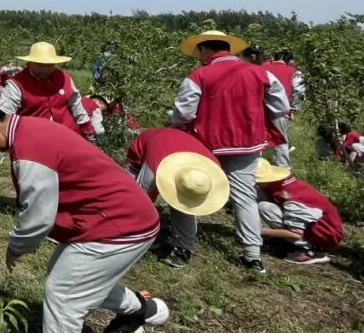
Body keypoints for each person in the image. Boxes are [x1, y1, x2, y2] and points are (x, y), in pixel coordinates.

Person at [0, 99, 168, 333]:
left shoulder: (28, 148)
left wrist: (15, 247)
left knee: (64, 291)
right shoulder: (29, 129)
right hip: (122, 216)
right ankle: (142, 309)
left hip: (118, 224)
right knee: (74, 276)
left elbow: (38, 217)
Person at [171, 30, 290, 275]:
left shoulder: (199, 75)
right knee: (245, 197)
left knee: (187, 189)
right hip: (248, 144)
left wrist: (177, 129)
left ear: (205, 49)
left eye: (200, 52)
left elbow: (184, 113)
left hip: (207, 144)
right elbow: (281, 106)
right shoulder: (259, 71)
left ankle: (183, 248)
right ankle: (252, 255)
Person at [124, 127, 229, 268]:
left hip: (177, 151)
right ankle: (128, 237)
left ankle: (183, 249)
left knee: (185, 205)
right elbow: (141, 199)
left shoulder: (212, 169)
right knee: (129, 193)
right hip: (151, 146)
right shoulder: (154, 165)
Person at [0, 42, 94, 140]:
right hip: (32, 139)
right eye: (41, 65)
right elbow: (4, 114)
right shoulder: (16, 84)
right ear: (29, 63)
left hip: (65, 136)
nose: (46, 69)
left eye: (50, 65)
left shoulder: (64, 78)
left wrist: (86, 126)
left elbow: (75, 104)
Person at [255, 158, 343, 265]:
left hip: (323, 235)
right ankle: (287, 240)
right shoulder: (279, 184)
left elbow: (294, 234)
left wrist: (259, 232)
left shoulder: (292, 198)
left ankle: (313, 250)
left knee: (265, 208)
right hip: (317, 225)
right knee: (264, 204)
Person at [259, 50, 306, 168]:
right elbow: (299, 91)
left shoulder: (261, 67)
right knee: (280, 141)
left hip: (258, 108)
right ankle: (283, 170)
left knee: (256, 140)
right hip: (279, 110)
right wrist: (293, 108)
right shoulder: (294, 72)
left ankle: (257, 168)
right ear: (289, 60)